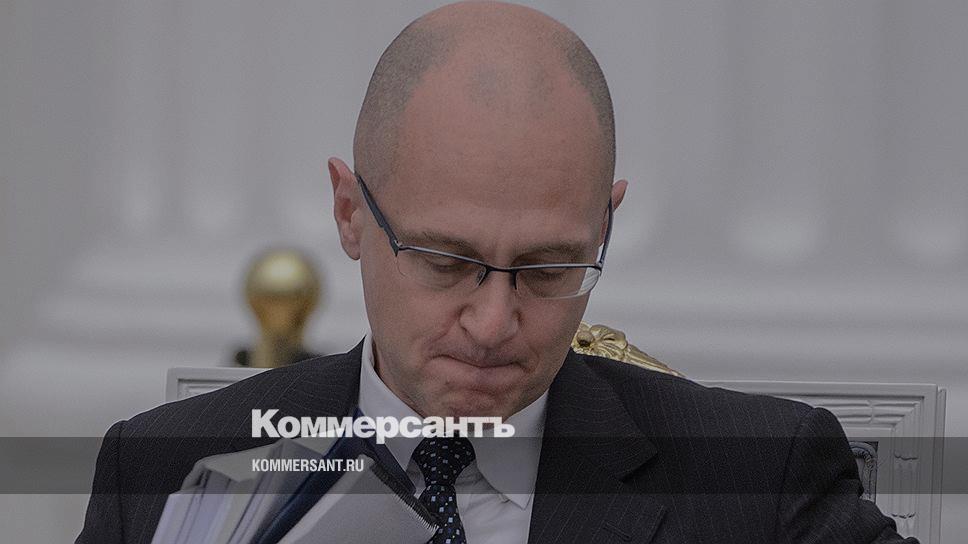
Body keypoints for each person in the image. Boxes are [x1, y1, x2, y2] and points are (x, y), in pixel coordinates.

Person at [77, 2, 918, 543]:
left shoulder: (759, 484)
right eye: (446, 262)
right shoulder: (157, 473)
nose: (492, 324)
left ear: (605, 226)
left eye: (549, 269)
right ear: (350, 213)